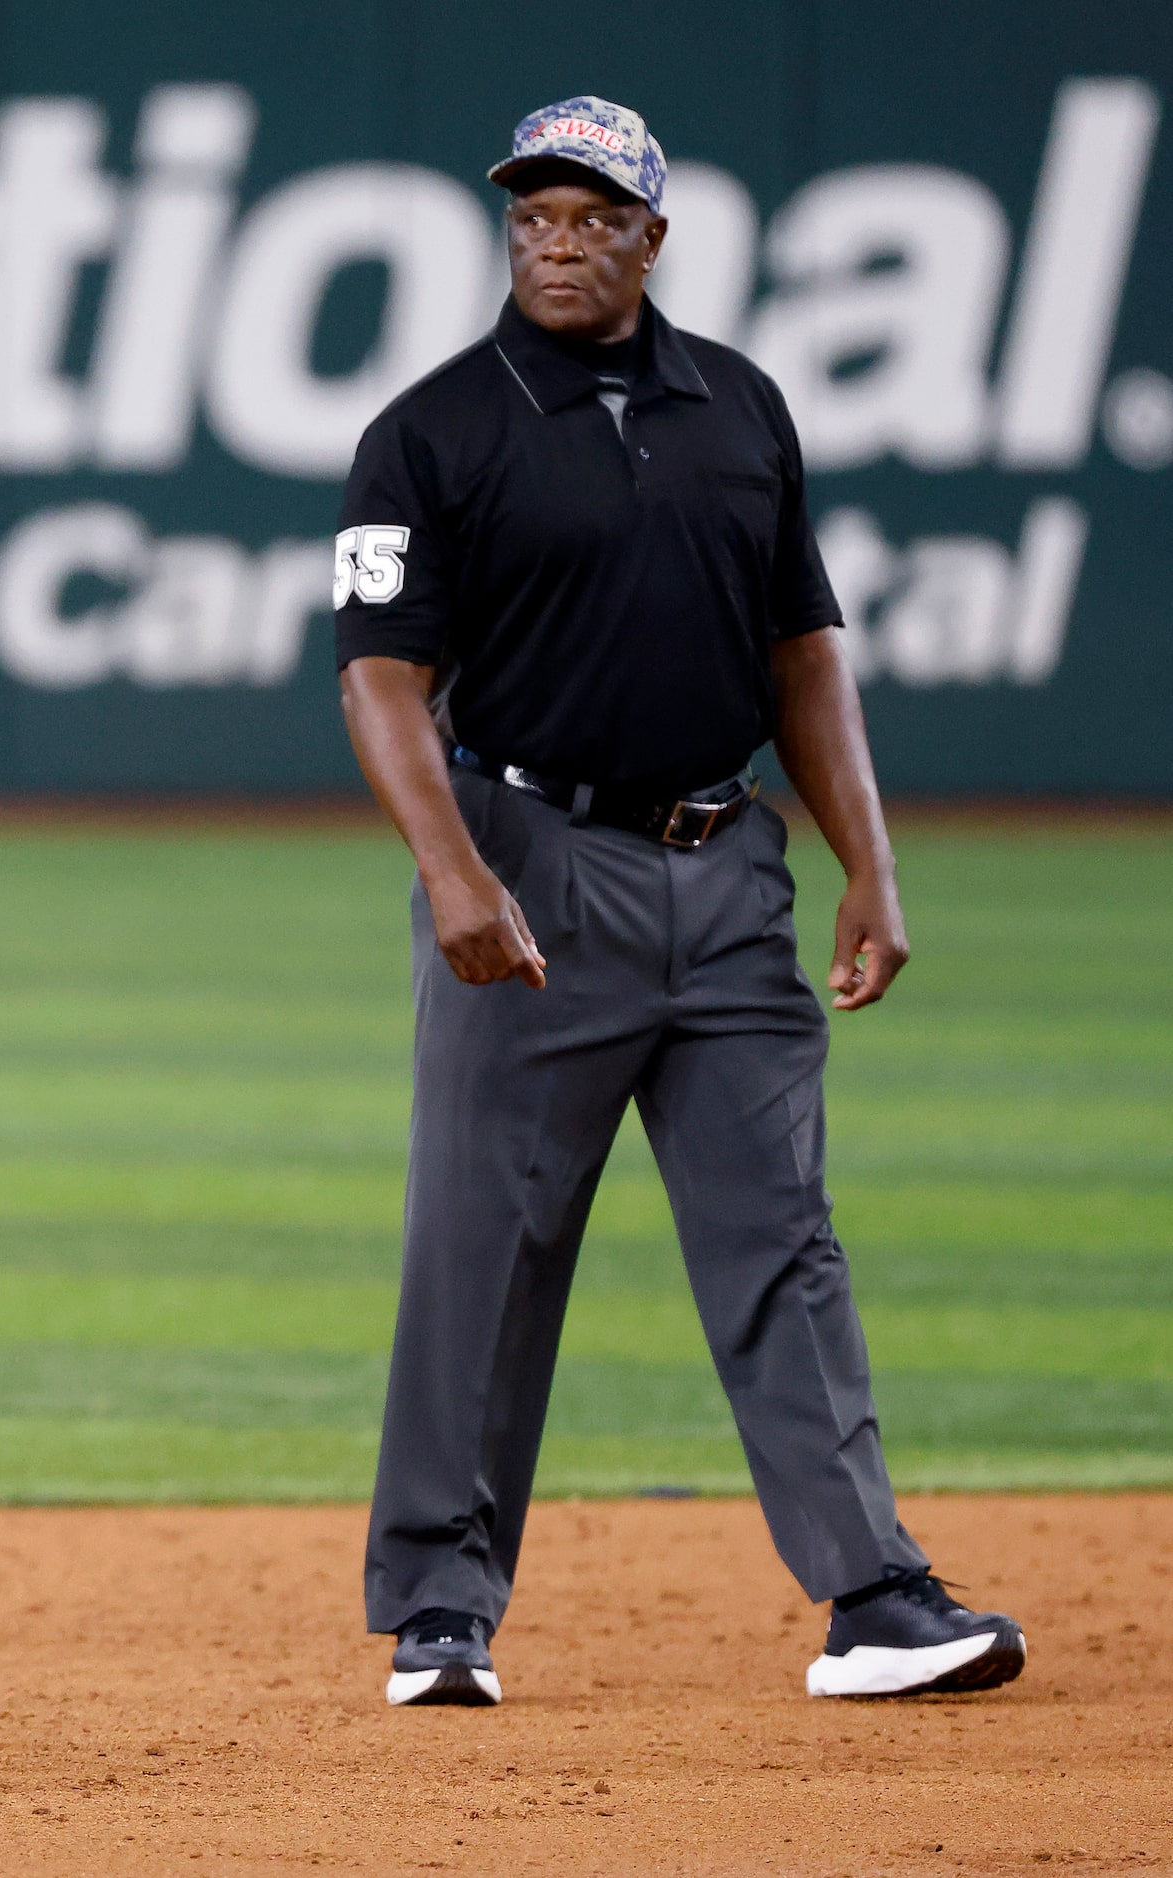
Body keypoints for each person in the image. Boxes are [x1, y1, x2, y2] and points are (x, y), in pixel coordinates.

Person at [335, 99, 1028, 1708]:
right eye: (533, 216)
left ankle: (872, 1591)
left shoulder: (744, 409)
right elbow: (380, 679)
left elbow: (804, 655)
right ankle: (443, 1608)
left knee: (784, 1237)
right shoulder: (436, 427)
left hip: (730, 876)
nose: (558, 239)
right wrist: (451, 865)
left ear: (655, 235)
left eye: (592, 216)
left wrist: (873, 860)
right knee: (488, 1245)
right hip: (535, 863)